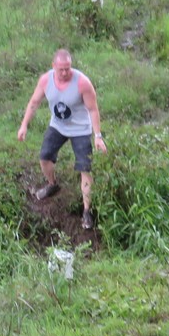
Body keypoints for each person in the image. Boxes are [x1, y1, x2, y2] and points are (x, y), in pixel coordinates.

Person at [16, 49, 107, 229]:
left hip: (81, 129)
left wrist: (97, 136)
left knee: (85, 168)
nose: (65, 73)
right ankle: (52, 184)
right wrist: (24, 125)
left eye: (67, 68)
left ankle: (86, 211)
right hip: (58, 126)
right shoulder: (45, 80)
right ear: (53, 66)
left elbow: (93, 109)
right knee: (44, 157)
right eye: (61, 69)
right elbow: (34, 103)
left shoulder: (82, 83)